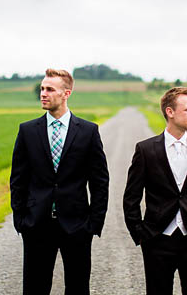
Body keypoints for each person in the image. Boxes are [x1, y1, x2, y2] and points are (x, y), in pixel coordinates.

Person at [9, 68, 110, 295]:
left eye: (50, 89)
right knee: (35, 288)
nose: (43, 94)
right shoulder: (27, 131)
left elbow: (100, 181)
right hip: (36, 225)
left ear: (66, 94)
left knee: (77, 288)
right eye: (42, 89)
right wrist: (21, 219)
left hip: (77, 225)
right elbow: (18, 180)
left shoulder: (88, 131)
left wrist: (93, 223)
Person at [123, 86, 187, 295]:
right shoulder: (146, 149)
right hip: (157, 239)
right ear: (170, 112)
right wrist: (140, 233)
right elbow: (131, 198)